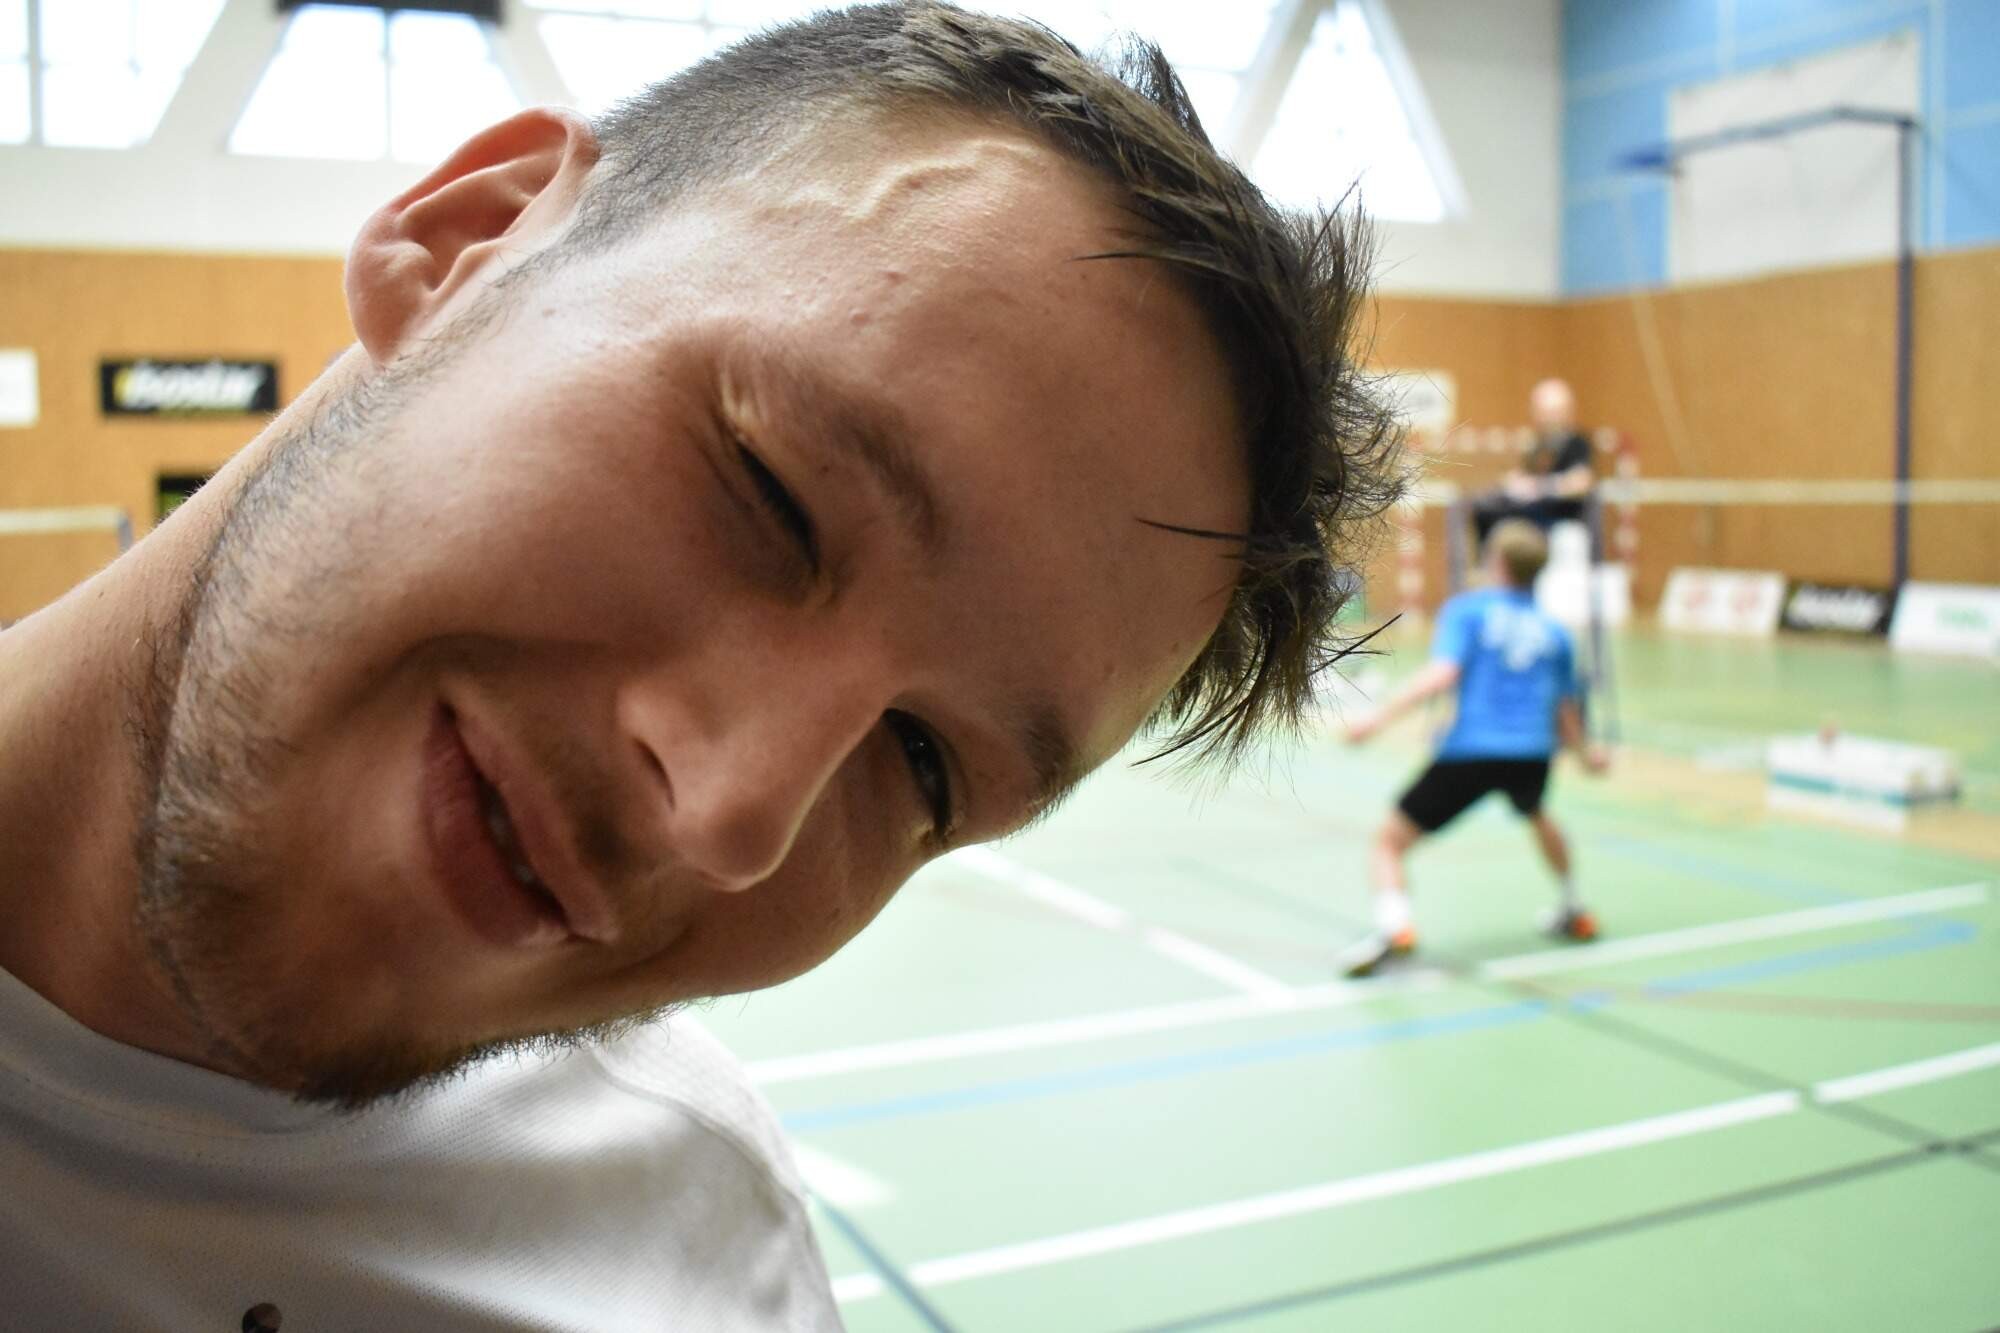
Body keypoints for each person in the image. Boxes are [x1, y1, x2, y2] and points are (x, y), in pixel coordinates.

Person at [0, 3, 1403, 1327]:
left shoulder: (698, 1263)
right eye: (773, 495)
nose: (737, 813)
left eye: (920, 765)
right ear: (469, 241)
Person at [1340, 519, 1608, 978]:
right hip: (1531, 752)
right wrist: (1587, 756)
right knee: (1538, 814)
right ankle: (1573, 906)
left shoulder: (1468, 611)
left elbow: (1443, 675)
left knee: (1389, 841)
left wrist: (1377, 720)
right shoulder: (1555, 631)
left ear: (1496, 562)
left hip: (1472, 750)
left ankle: (1395, 928)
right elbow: (1565, 711)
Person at [1470, 377, 1597, 544]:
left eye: (1552, 413)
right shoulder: (1538, 445)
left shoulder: (1577, 443)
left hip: (1557, 515)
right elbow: (1525, 475)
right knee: (1483, 508)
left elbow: (1580, 483)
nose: (1546, 419)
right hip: (1530, 511)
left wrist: (1540, 487)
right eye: (1542, 412)